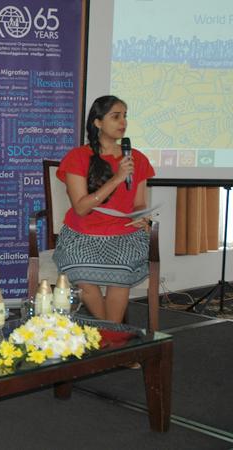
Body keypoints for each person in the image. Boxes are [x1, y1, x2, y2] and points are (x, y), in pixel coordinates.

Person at [53, 95, 155, 323]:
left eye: (125, 116)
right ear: (98, 122)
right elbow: (80, 208)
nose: (123, 122)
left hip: (124, 233)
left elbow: (139, 203)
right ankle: (113, 334)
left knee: (121, 274)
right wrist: (118, 178)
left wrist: (141, 217)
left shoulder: (136, 158)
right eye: (116, 116)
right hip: (83, 234)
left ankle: (108, 335)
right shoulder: (78, 157)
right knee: (81, 273)